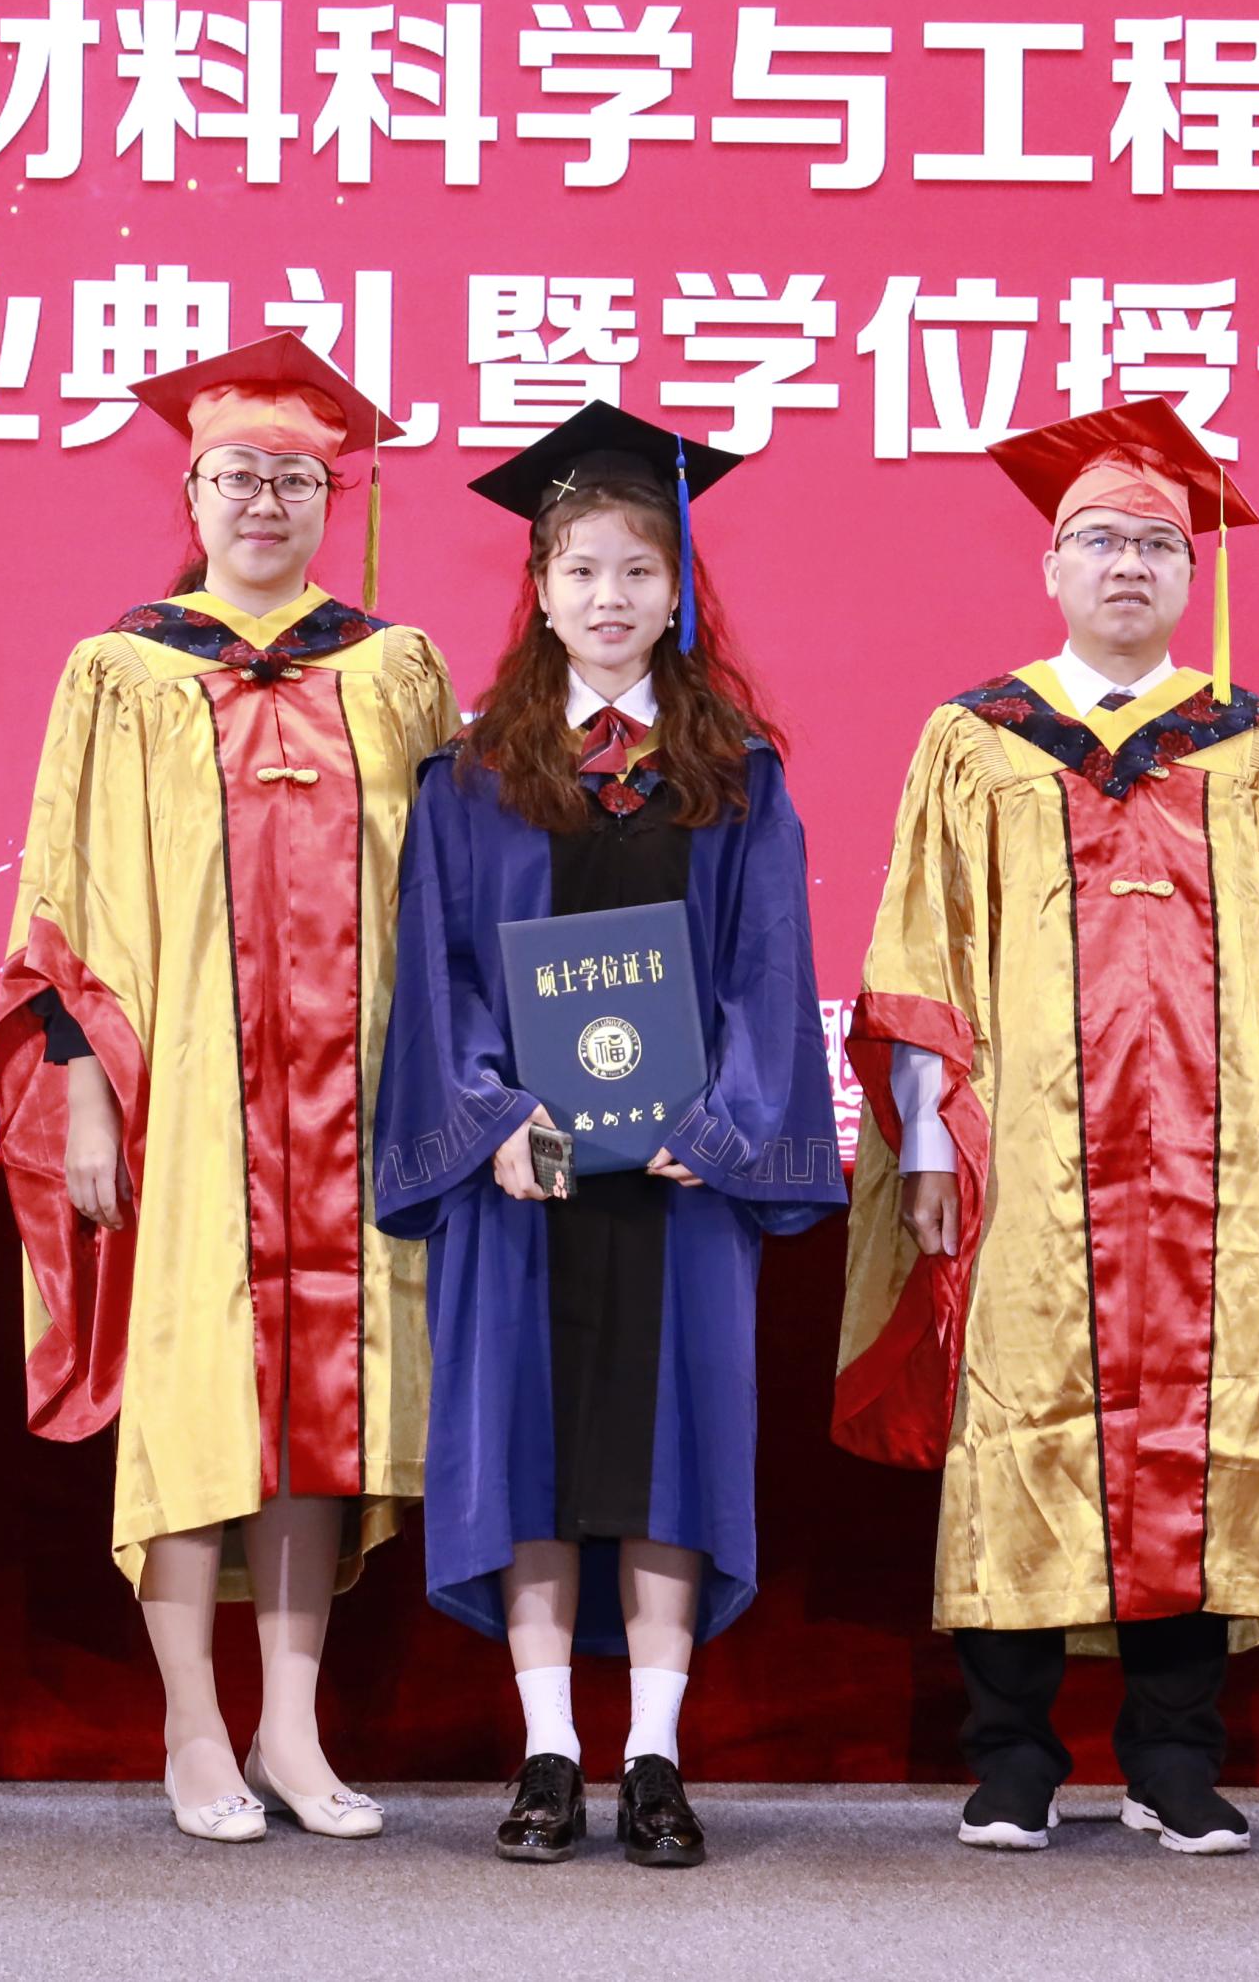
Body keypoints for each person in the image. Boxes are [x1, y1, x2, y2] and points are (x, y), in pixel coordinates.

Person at [831, 398, 1259, 1859]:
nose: (1130, 563)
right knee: (1025, 1416)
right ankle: (1013, 1755)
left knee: (1201, 1430)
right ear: (1052, 566)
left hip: (1223, 1167)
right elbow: (924, 946)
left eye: (1158, 542)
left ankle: (1173, 1756)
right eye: (1100, 539)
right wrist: (924, 1142)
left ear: (1192, 573)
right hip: (1026, 1159)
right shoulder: (978, 742)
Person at [0, 332, 461, 1843]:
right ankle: (191, 1723)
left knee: (322, 1410)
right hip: (186, 1107)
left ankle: (292, 1729)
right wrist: (84, 1095)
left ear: (335, 498)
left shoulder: (394, 671)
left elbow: (451, 895)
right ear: (189, 493)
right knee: (198, 1404)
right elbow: (62, 903)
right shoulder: (121, 670)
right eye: (236, 474)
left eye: (294, 477)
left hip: (355, 1105)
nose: (263, 500)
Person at [371, 405, 845, 1870]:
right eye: (580, 568)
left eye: (639, 568)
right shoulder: (472, 776)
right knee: (527, 1443)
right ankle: (546, 1751)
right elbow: (441, 974)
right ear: (539, 586)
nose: (610, 596)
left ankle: (653, 1751)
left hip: (683, 1176)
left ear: (678, 586)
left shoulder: (737, 775)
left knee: (667, 1455)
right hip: (526, 1176)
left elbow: (768, 970)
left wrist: (732, 1120)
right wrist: (493, 1116)